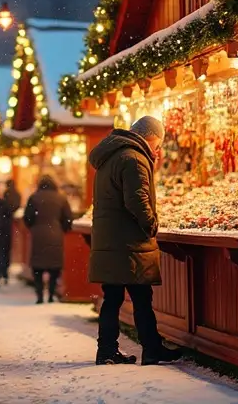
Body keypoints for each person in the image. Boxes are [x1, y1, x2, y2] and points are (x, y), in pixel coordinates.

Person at [89, 116, 182, 366]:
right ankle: (150, 350)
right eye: (158, 145)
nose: (157, 150)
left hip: (112, 240)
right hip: (128, 242)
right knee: (141, 299)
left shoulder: (113, 154)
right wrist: (151, 225)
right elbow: (137, 199)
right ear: (151, 138)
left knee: (113, 298)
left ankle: (108, 350)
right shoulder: (134, 158)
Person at [22, 175, 73, 303]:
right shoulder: (61, 198)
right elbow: (68, 218)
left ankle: (39, 295)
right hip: (55, 234)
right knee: (54, 266)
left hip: (38, 235)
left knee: (37, 267)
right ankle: (50, 294)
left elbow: (27, 217)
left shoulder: (34, 198)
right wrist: (63, 229)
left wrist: (33, 227)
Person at [0, 181, 22, 284]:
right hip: (11, 225)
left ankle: (3, 271)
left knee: (3, 250)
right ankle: (5, 270)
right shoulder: (17, 194)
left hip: (4, 226)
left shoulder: (6, 194)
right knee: (7, 250)